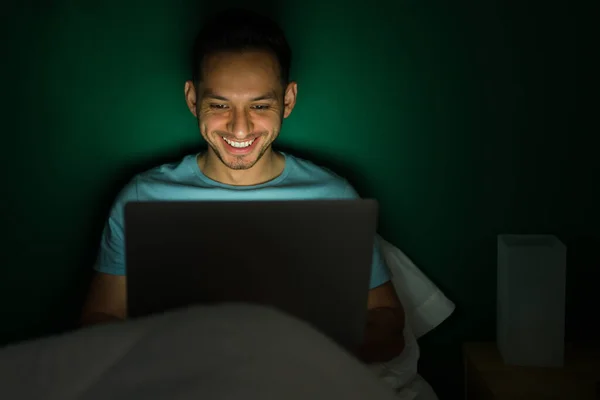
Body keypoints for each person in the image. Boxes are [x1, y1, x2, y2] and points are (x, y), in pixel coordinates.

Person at [80, 8, 406, 364]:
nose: (239, 129)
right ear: (192, 100)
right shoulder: (142, 197)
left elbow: (388, 325)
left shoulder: (333, 197)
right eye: (220, 104)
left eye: (260, 105)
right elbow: (100, 319)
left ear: (288, 101)